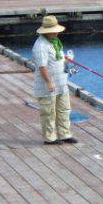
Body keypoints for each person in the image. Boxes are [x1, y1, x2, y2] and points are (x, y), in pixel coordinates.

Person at [32, 15, 78, 145]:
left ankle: (65, 134)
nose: (57, 32)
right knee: (49, 113)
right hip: (48, 85)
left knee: (64, 109)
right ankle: (50, 138)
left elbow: (57, 60)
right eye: (54, 30)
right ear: (47, 31)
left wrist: (66, 59)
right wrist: (49, 82)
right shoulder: (41, 45)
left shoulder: (55, 42)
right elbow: (42, 66)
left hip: (61, 83)